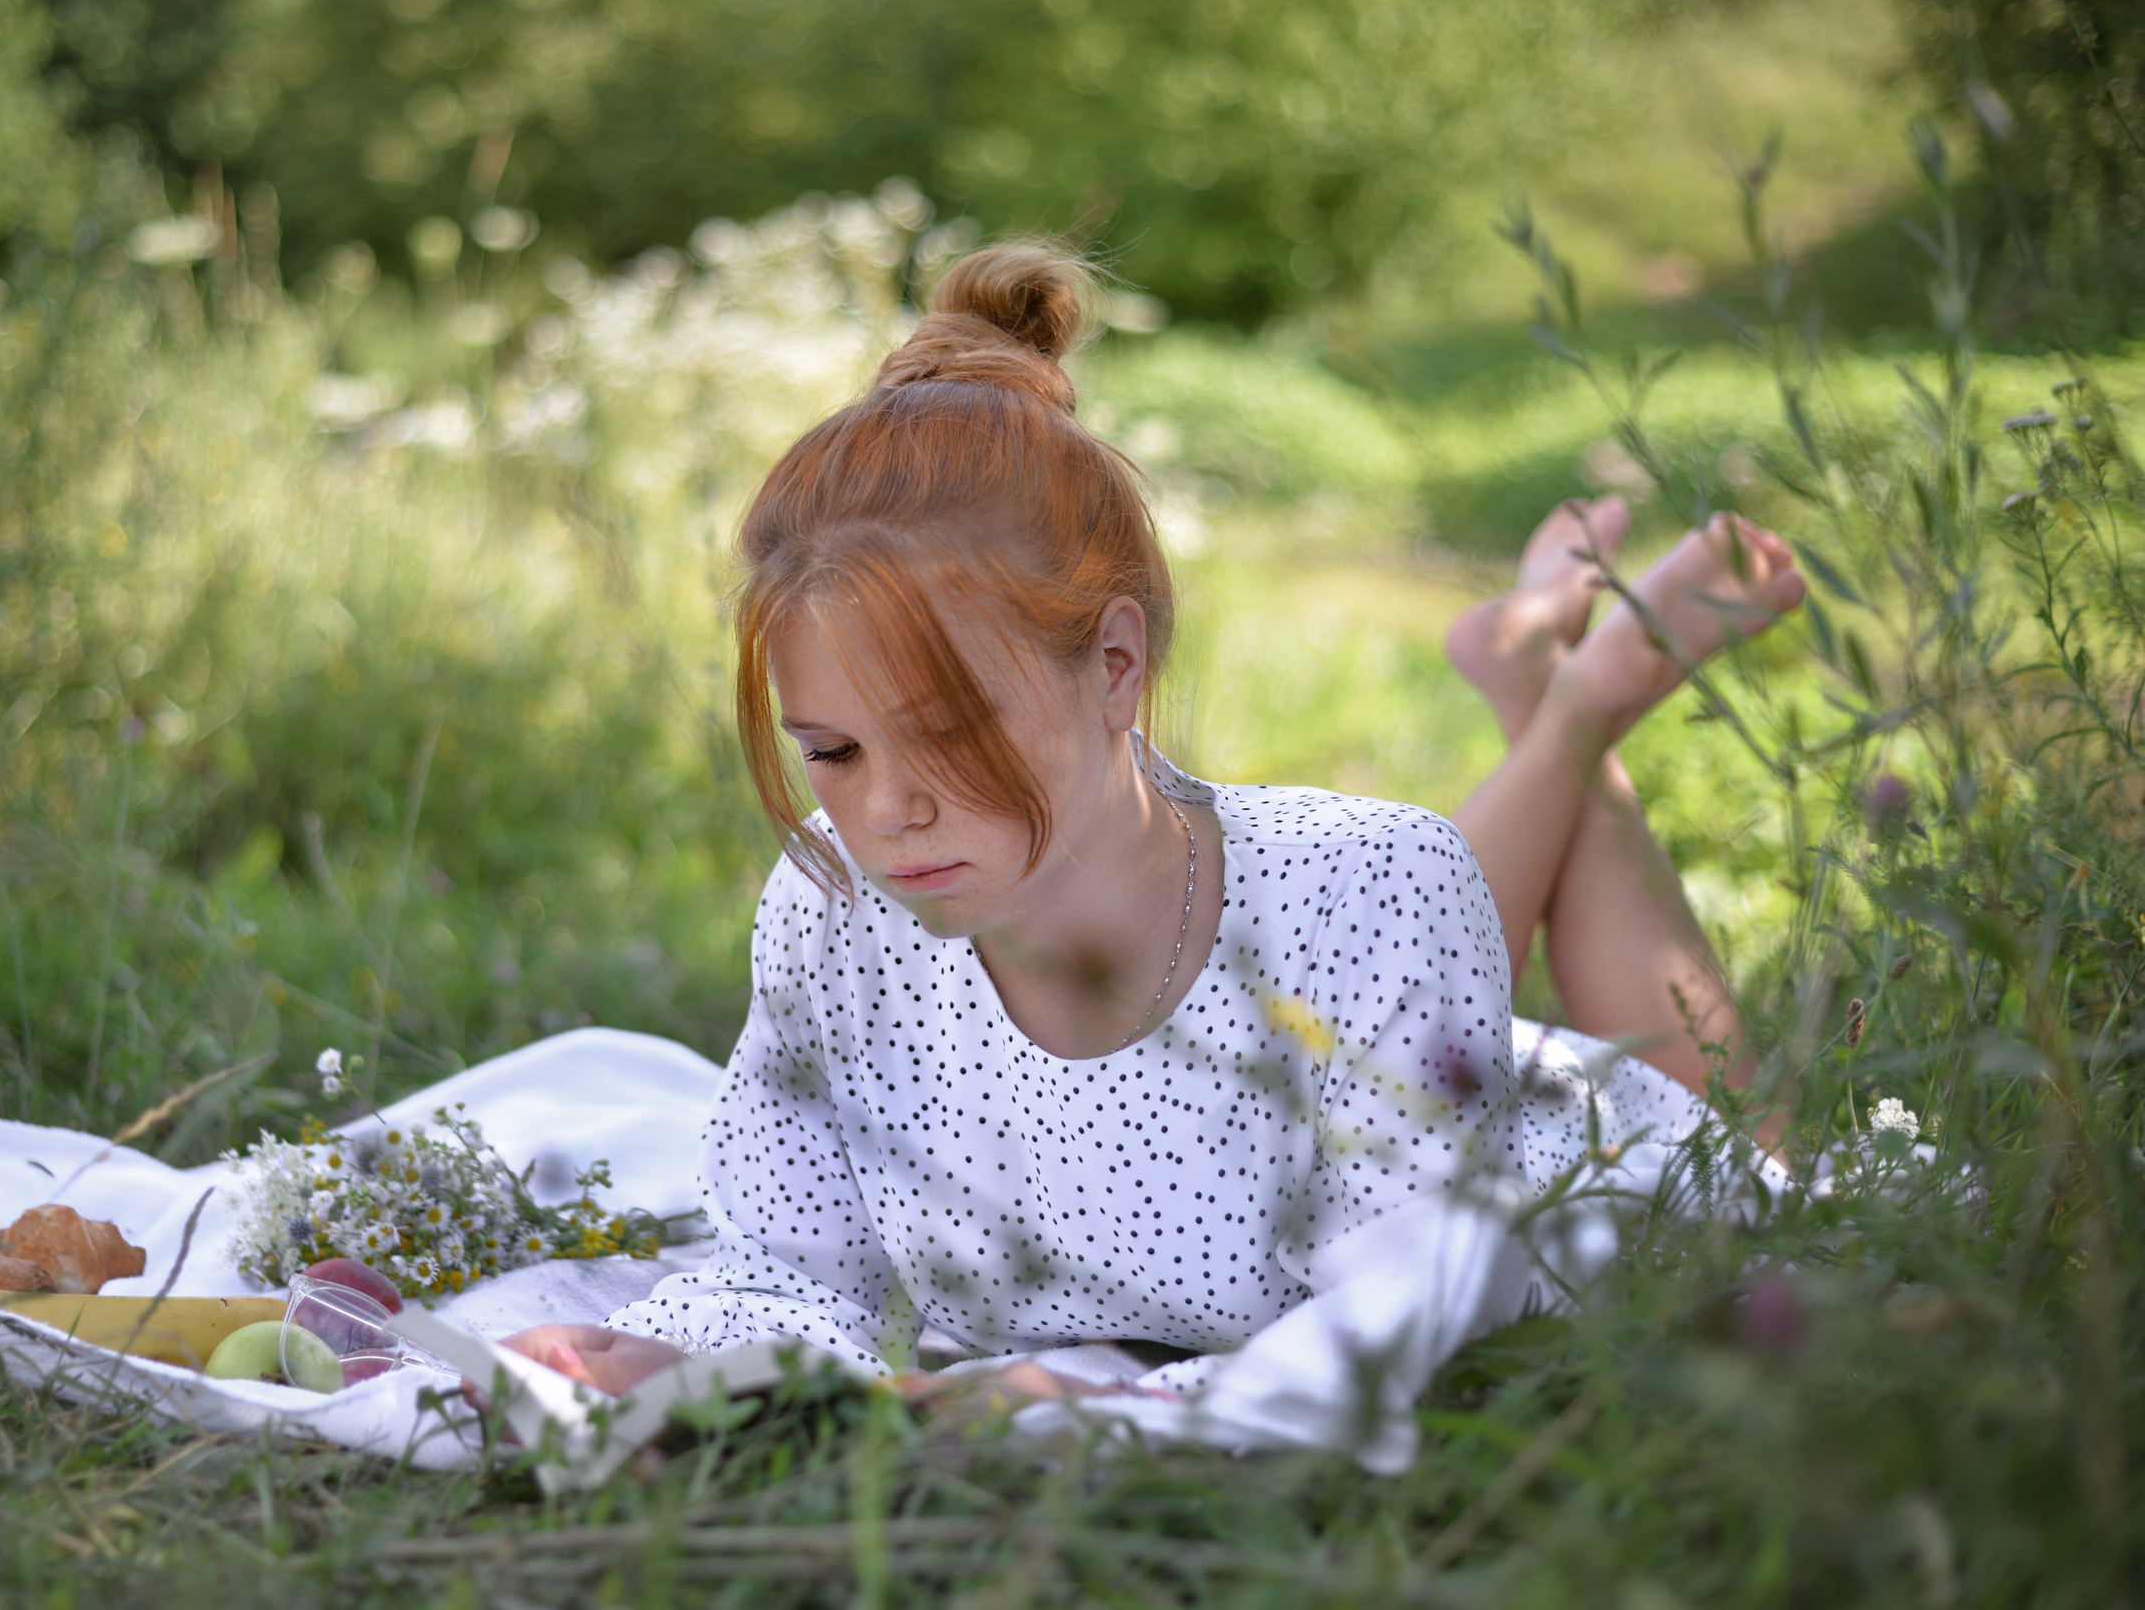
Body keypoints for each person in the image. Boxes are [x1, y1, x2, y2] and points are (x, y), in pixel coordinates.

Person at [498, 244, 1805, 1399]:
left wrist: (1099, 1405)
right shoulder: (834, 912)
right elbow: (791, 1269)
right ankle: (1552, 691)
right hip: (1400, 1050)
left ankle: (1574, 704)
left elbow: (1395, 1331)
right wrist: (710, 1361)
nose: (887, 809)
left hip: (1593, 1197)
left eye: (951, 729)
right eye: (830, 749)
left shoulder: (1370, 883)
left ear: (1115, 663)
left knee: (1765, 1168)